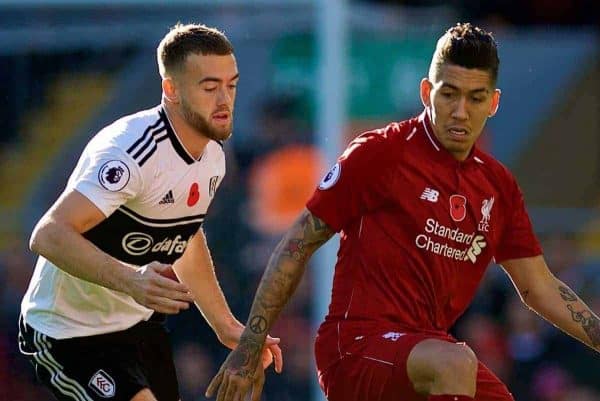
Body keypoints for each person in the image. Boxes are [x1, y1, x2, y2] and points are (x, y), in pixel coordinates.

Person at [206, 23, 600, 401]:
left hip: (426, 352)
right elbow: (296, 245)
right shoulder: (381, 153)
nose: (460, 111)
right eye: (449, 94)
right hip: (357, 347)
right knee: (455, 361)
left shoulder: (498, 187)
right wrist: (249, 345)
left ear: (493, 103)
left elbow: (539, 287)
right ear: (427, 91)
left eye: (475, 98)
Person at [18, 23, 282, 401]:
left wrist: (225, 325)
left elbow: (185, 237)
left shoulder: (212, 158)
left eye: (232, 85)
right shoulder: (130, 152)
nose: (225, 100)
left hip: (137, 330)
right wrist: (132, 281)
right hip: (66, 333)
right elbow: (48, 234)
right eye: (209, 88)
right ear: (171, 90)